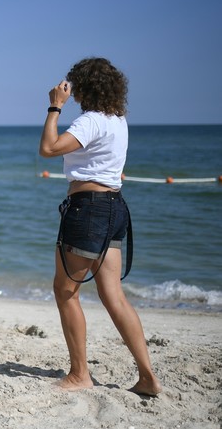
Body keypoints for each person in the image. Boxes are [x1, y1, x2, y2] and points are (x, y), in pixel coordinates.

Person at [39, 57, 162, 396]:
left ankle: (80, 374)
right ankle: (148, 375)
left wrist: (54, 107)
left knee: (66, 292)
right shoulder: (118, 119)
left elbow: (48, 148)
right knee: (113, 296)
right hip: (114, 208)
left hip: (89, 209)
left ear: (86, 88)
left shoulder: (90, 121)